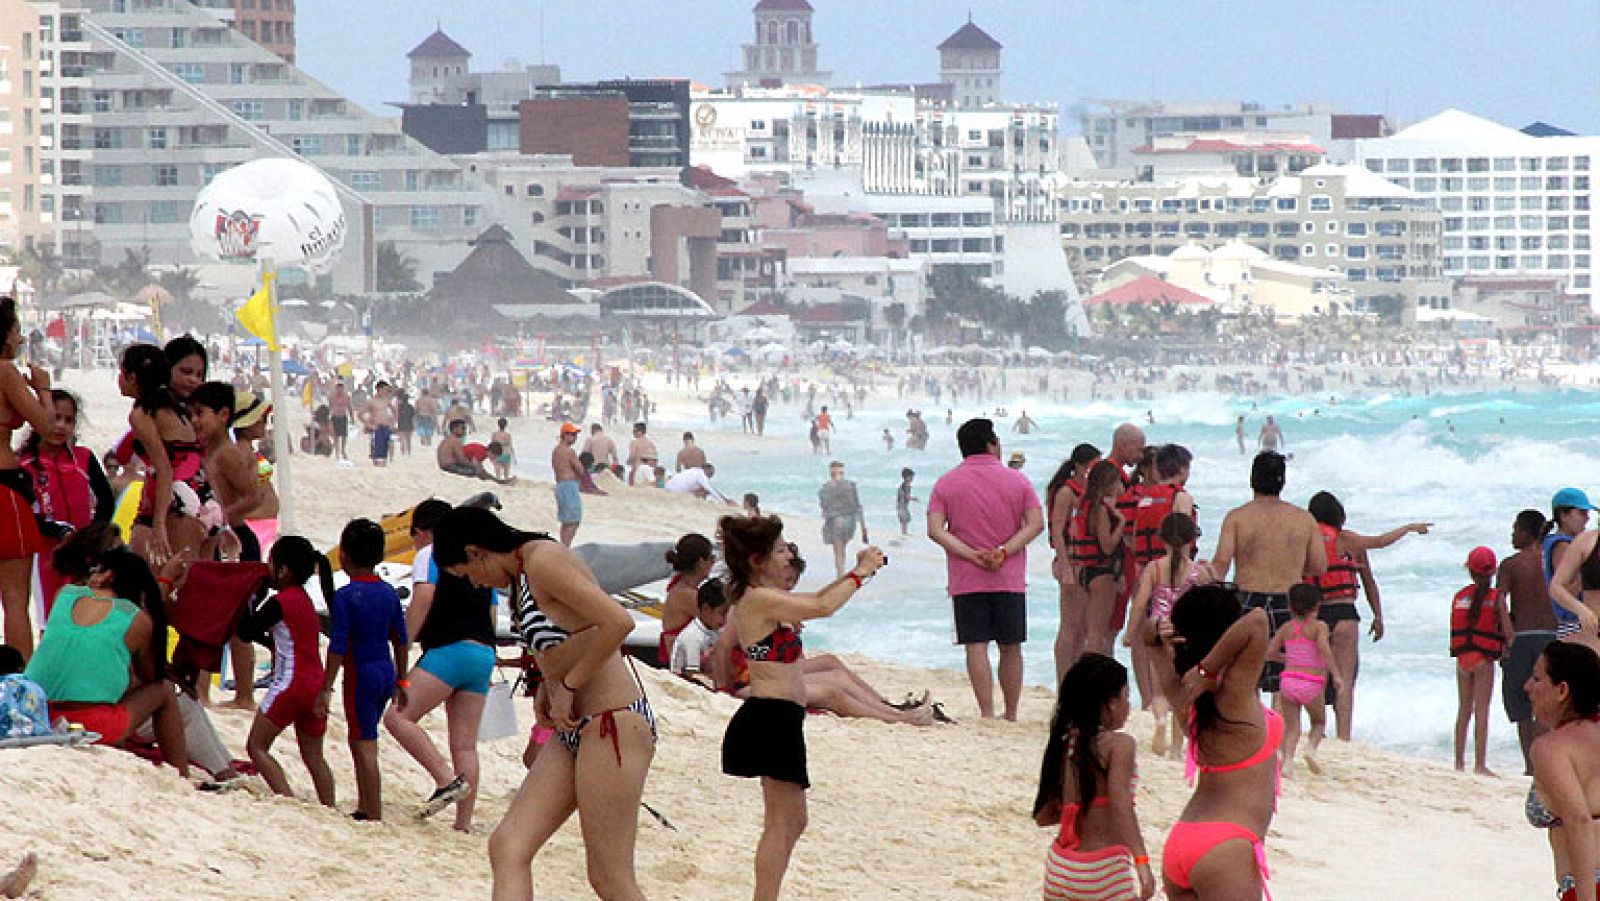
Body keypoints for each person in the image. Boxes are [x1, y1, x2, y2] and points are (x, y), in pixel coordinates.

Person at [432, 506, 653, 901]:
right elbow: (568, 634)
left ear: (476, 551)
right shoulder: (520, 575)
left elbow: (618, 622)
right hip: (574, 729)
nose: (478, 586)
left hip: (612, 721)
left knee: (609, 878)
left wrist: (568, 684)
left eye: (469, 575)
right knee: (508, 846)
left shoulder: (543, 559)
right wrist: (547, 688)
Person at [718, 514, 887, 901]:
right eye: (779, 551)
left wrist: (854, 575)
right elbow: (823, 605)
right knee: (784, 822)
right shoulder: (758, 599)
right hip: (770, 717)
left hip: (779, 717)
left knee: (790, 821)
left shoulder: (766, 598)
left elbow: (815, 602)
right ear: (757, 560)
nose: (788, 556)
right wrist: (862, 571)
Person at [1162, 584, 1280, 900]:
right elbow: (1257, 620)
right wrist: (1208, 668)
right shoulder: (1234, 693)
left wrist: (1159, 633)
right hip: (1225, 846)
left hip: (1183, 840)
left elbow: (1149, 638)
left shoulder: (1183, 693)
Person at [25, 548, 189, 776]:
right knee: (163, 689)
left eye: (95, 570)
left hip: (36, 713)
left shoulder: (66, 594)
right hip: (91, 723)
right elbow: (150, 675)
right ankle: (181, 773)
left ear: (106, 576)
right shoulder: (137, 620)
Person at [384, 499, 496, 832]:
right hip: (483, 653)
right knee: (464, 745)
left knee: (398, 716)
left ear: (423, 532)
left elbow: (422, 601)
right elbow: (491, 613)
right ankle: (463, 823)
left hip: (450, 649)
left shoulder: (429, 554)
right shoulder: (476, 557)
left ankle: (445, 779)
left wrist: (401, 653)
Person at [927, 418, 1043, 721]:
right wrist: (1005, 551)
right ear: (992, 444)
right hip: (1009, 575)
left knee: (975, 646)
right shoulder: (1019, 481)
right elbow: (1035, 524)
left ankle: (987, 712)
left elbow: (935, 529)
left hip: (967, 577)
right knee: (1011, 646)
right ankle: (1012, 712)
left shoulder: (946, 482)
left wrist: (971, 554)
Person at [1305, 490, 1429, 741]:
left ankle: (1318, 731)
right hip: (1345, 613)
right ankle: (1344, 738)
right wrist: (1378, 616)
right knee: (1344, 682)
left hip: (1314, 614)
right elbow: (1375, 562)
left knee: (1316, 678)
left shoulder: (1305, 542)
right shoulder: (1347, 540)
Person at [1032, 653, 1153, 901]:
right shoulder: (1119, 744)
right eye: (1126, 697)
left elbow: (1043, 816)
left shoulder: (1065, 742)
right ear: (1110, 703)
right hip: (1103, 869)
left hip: (1060, 867)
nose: (1128, 706)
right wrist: (1141, 860)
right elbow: (1120, 803)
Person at [1209, 452, 1326, 695]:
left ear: (1252, 479)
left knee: (1246, 673)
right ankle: (1282, 729)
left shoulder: (1237, 517)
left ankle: (1254, 726)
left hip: (1248, 600)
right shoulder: (1303, 519)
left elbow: (1221, 564)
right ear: (1283, 481)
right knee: (1287, 672)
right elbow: (1318, 566)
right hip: (1290, 600)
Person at [316, 519, 409, 821]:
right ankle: (369, 805)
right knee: (367, 737)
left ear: (343, 555)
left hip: (361, 672)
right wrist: (402, 680)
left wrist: (326, 687)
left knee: (362, 741)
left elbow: (338, 646)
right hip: (386, 668)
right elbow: (402, 640)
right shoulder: (389, 593)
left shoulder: (345, 596)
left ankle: (371, 809)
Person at [239, 535, 336, 806]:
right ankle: (329, 807)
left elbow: (246, 630)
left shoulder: (279, 602)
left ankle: (287, 800)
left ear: (283, 571)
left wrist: (248, 594)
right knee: (314, 755)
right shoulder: (303, 600)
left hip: (291, 684)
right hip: (315, 685)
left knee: (256, 747)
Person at [189, 382, 269, 709]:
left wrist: (222, 517)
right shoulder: (206, 451)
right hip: (218, 538)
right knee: (212, 617)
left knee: (236, 622)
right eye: (191, 414)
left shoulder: (229, 454)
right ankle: (204, 691)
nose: (195, 420)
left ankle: (244, 695)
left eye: (200, 414)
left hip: (235, 540)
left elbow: (255, 496)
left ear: (224, 416)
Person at [0, 299, 59, 659]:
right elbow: (49, 429)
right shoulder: (5, 371)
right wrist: (44, 389)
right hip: (4, 487)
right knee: (15, 599)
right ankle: (16, 685)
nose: (21, 337)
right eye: (17, 329)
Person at [21, 389, 115, 615]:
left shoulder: (84, 457)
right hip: (46, 554)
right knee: (52, 614)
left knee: (87, 611)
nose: (61, 426)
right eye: (54, 418)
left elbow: (106, 501)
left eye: (69, 420)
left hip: (86, 551)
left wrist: (93, 536)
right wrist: (58, 530)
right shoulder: (25, 466)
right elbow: (26, 515)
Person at [1525, 641, 1600, 901]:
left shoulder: (1550, 748)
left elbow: (1579, 821)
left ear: (1562, 690)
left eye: (1537, 678)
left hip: (1587, 888)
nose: (1528, 687)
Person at [1127, 512, 1203, 760]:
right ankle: (1175, 749)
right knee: (1180, 693)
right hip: (1186, 633)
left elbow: (1140, 604)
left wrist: (1130, 632)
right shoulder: (1197, 571)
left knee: (1159, 692)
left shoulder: (1154, 568)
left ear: (1162, 540)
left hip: (1158, 629)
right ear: (1191, 540)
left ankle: (1160, 719)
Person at [1266, 583, 1345, 776]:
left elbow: (1269, 653)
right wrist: (1336, 675)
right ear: (1317, 605)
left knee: (1292, 727)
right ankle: (1310, 749)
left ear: (1290, 606)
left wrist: (1288, 659)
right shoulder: (1319, 627)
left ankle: (1287, 762)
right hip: (1311, 682)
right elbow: (1324, 651)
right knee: (1318, 722)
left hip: (1289, 680)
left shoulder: (1286, 628)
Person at [1503, 509, 1560, 769]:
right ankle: (1541, 763)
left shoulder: (1511, 564)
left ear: (1526, 532)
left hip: (1522, 639)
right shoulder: (1553, 562)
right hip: (1552, 637)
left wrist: (1508, 637)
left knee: (1522, 707)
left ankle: (1529, 764)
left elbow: (1498, 603)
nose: (1513, 535)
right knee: (1545, 703)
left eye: (1516, 529)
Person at [1452, 546, 1510, 776]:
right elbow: (1508, 631)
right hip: (1483, 659)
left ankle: (1458, 763)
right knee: (1482, 709)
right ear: (1493, 571)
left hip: (1463, 659)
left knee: (1464, 709)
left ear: (1470, 571)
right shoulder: (1497, 598)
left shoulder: (1459, 597)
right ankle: (1479, 764)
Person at [1046, 444, 1101, 682]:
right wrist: (1065, 565)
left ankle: (1077, 679)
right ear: (1079, 466)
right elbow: (1057, 531)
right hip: (1072, 561)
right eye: (1092, 465)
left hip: (1090, 563)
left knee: (1086, 627)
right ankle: (1063, 681)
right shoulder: (1067, 492)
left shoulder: (1093, 491)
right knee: (1070, 625)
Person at [1070, 461, 1127, 657]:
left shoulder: (1083, 504)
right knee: (1097, 636)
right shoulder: (1101, 509)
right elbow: (1108, 546)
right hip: (1102, 573)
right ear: (1109, 483)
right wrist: (1121, 523)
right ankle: (1091, 679)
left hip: (1085, 571)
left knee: (1089, 632)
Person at [1550, 487, 1600, 639]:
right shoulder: (1583, 542)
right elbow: (1557, 586)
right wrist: (1581, 609)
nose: (1587, 518)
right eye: (1582, 513)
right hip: (1591, 629)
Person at [659, 533, 714, 668]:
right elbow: (718, 623)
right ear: (701, 562)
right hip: (683, 665)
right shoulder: (687, 596)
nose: (713, 563)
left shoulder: (680, 587)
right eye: (712, 558)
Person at [670, 577, 731, 681]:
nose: (726, 619)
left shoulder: (716, 629)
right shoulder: (692, 638)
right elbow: (693, 675)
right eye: (722, 613)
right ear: (706, 609)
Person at [818, 460, 867, 577]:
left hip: (835, 521)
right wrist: (863, 527)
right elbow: (858, 506)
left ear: (831, 472)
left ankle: (840, 574)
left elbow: (824, 505)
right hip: (850, 521)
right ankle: (841, 573)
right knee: (843, 548)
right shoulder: (851, 485)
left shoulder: (826, 487)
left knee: (838, 551)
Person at [551, 422, 584, 546]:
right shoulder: (569, 451)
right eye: (572, 435)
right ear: (564, 435)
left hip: (560, 485)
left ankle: (563, 545)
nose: (574, 438)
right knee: (574, 519)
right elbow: (580, 469)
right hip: (568, 485)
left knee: (567, 520)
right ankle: (565, 546)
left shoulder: (556, 450)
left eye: (575, 435)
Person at [359, 381, 395, 467]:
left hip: (386, 426)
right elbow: (360, 414)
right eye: (385, 389)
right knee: (378, 450)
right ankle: (377, 464)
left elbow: (394, 410)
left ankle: (386, 463)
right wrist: (368, 425)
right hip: (377, 427)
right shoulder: (371, 401)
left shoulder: (386, 400)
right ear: (379, 389)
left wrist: (392, 421)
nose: (386, 391)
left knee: (387, 446)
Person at [665, 463, 731, 503]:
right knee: (705, 490)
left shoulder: (692, 470)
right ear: (706, 469)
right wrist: (724, 502)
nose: (711, 476)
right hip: (676, 492)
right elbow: (711, 490)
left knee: (701, 488)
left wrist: (725, 498)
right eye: (711, 473)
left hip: (668, 488)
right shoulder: (700, 475)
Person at [626, 421, 657, 486]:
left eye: (634, 431)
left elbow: (632, 457)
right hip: (650, 471)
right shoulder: (651, 444)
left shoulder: (634, 442)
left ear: (640, 431)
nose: (633, 433)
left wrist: (628, 462)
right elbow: (655, 459)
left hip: (637, 470)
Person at [328, 381, 353, 461]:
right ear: (336, 388)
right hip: (335, 417)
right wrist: (327, 418)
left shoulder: (347, 397)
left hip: (343, 417)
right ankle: (337, 453)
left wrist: (352, 418)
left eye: (341, 387)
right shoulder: (332, 397)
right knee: (335, 436)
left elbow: (350, 407)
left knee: (344, 436)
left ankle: (343, 450)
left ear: (343, 388)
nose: (339, 389)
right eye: (338, 387)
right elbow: (330, 407)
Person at [490, 417, 516, 482]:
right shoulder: (508, 435)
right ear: (506, 425)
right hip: (506, 455)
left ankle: (499, 483)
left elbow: (492, 446)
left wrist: (491, 456)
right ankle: (506, 483)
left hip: (497, 455)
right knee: (506, 474)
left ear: (498, 425)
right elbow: (510, 446)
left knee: (497, 474)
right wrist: (514, 457)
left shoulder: (494, 434)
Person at [895, 468, 918, 537]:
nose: (912, 478)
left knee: (906, 519)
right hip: (901, 506)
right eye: (911, 477)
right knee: (904, 519)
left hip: (902, 505)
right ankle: (904, 532)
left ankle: (904, 532)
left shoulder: (905, 485)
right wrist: (913, 498)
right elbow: (906, 496)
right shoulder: (906, 486)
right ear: (907, 477)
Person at [395, 390, 415, 457]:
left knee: (402, 440)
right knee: (408, 439)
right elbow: (413, 416)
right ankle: (409, 452)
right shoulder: (410, 407)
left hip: (401, 424)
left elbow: (396, 415)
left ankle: (403, 452)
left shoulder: (399, 407)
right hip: (409, 424)